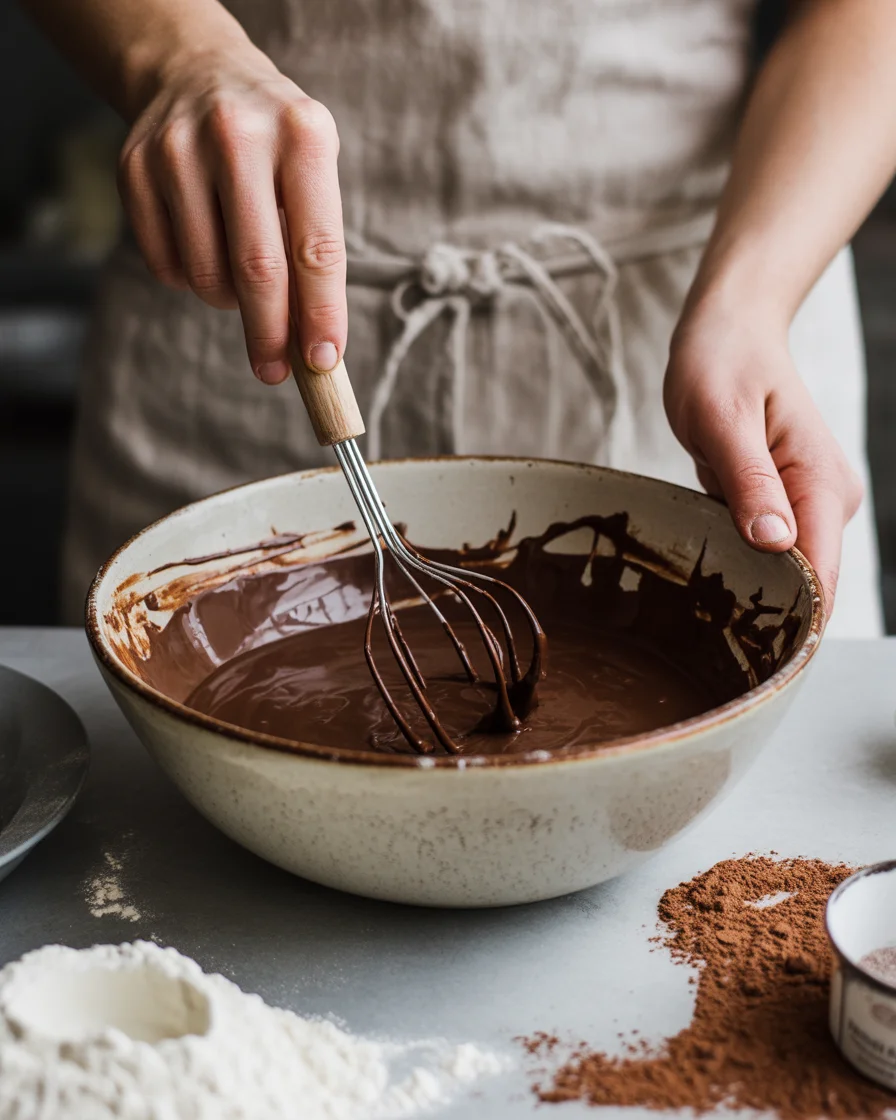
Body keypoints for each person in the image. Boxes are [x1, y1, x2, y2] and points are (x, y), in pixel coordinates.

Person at [23, 0, 894, 635]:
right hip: (242, 297)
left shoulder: (738, 310)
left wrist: (749, 305)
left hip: (704, 312)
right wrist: (178, 54)